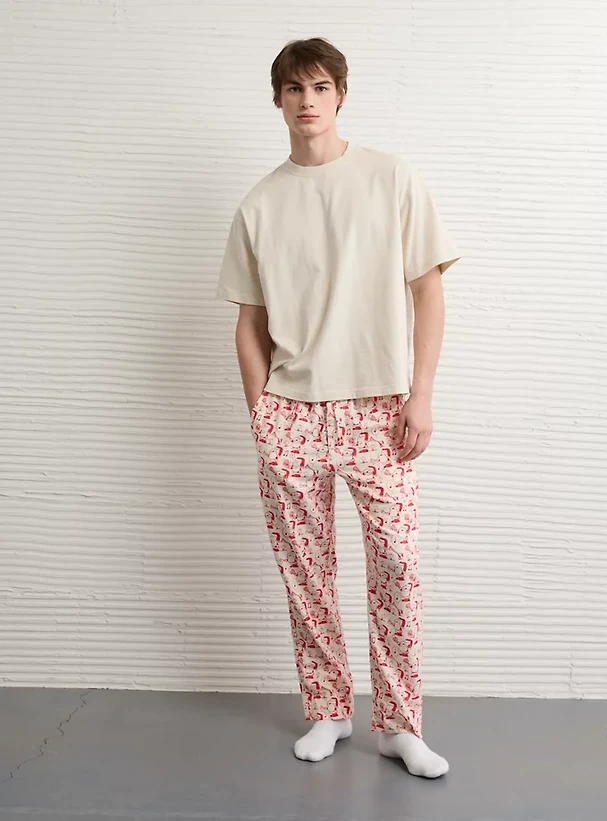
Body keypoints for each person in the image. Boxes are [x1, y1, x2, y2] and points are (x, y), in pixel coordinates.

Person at [215, 37, 462, 778]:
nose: (307, 101)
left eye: (320, 87)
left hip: (379, 406)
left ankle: (400, 724)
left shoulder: (391, 178)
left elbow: (428, 290)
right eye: (294, 89)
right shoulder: (259, 204)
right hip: (290, 410)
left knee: (397, 563)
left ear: (341, 95)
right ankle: (328, 709)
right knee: (306, 570)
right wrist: (261, 413)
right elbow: (250, 321)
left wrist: (421, 393)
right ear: (278, 101)